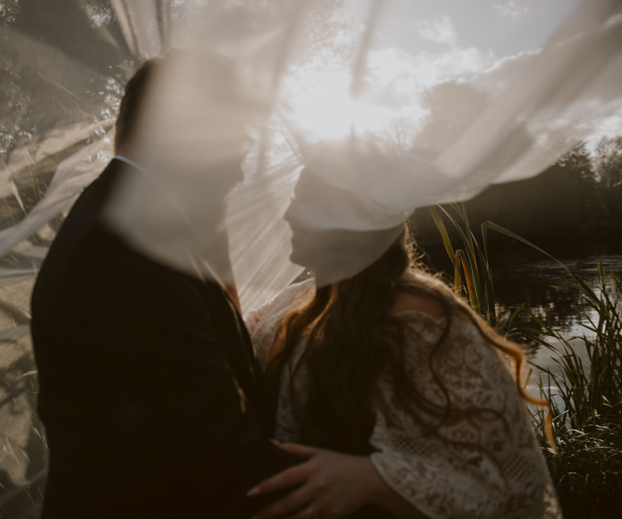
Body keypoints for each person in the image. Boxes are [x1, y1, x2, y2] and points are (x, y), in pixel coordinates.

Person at [30, 54, 361, 519]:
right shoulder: (122, 251)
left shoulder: (126, 227)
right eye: (235, 146)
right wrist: (376, 484)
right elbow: (220, 460)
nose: (239, 173)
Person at [244, 166, 562, 519]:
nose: (288, 214)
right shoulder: (291, 301)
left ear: (349, 216)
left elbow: (510, 489)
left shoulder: (421, 316)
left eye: (304, 201)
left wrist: (371, 478)